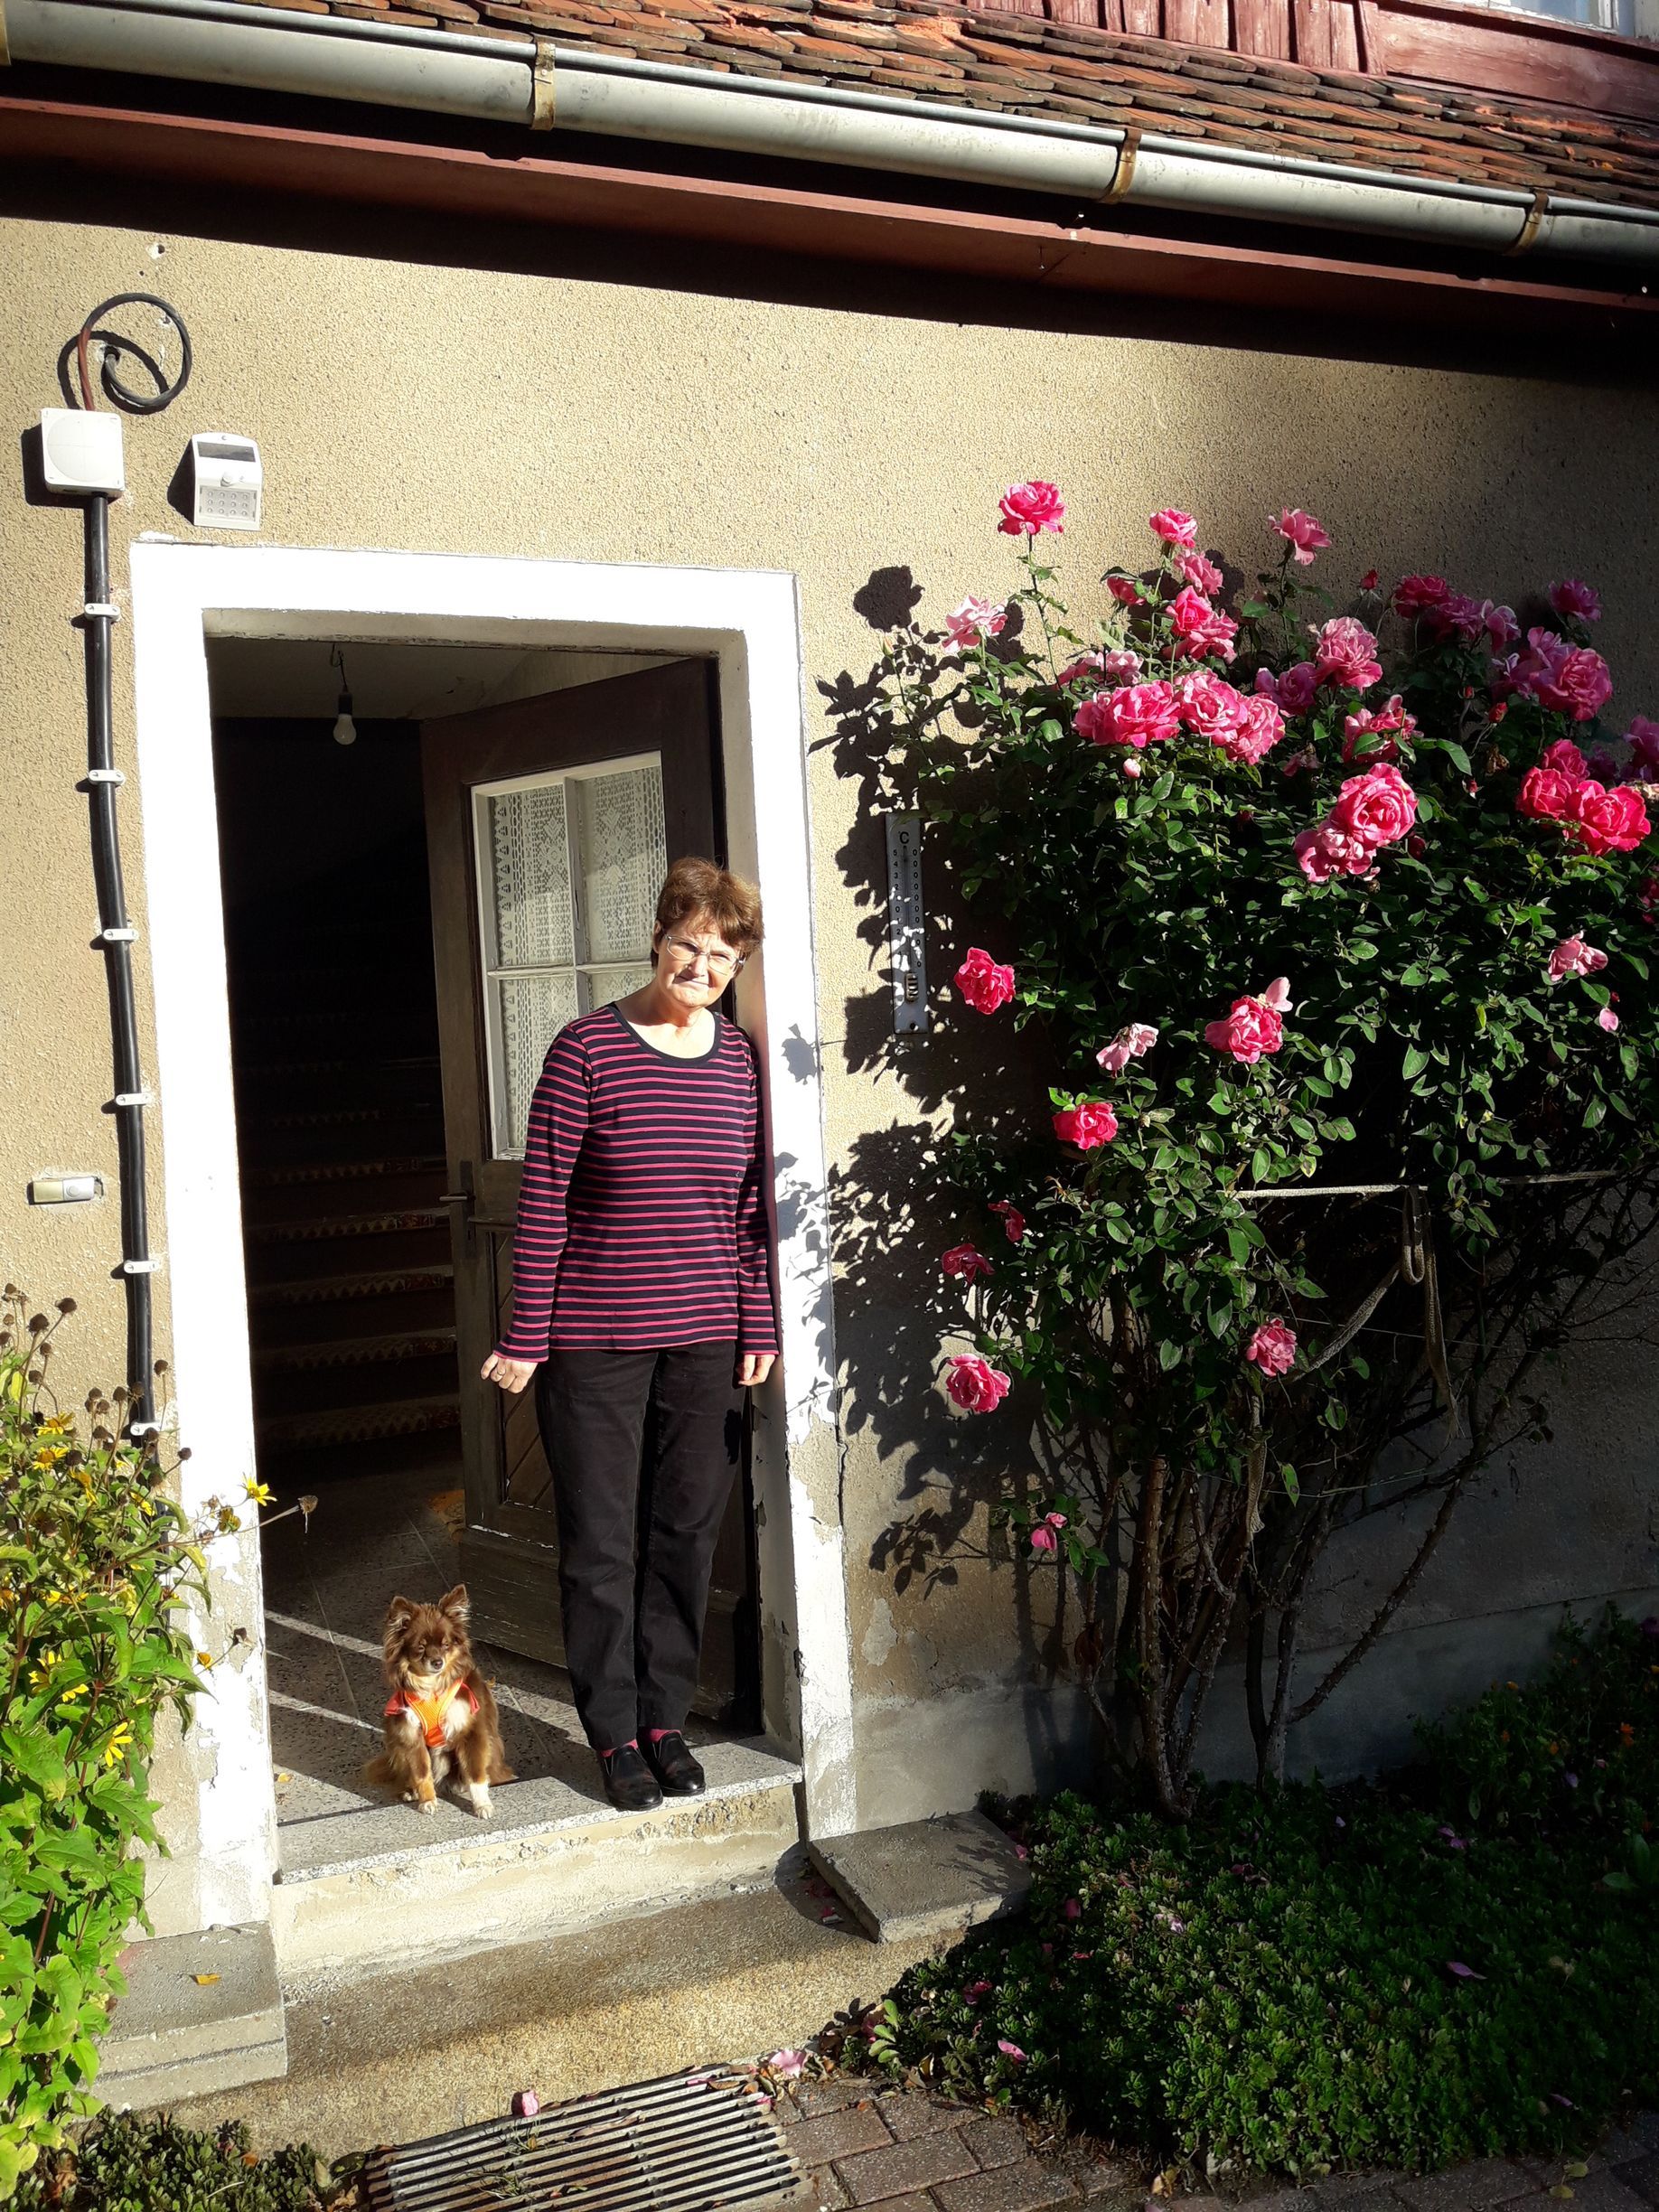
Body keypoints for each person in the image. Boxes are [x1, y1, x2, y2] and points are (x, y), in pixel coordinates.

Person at [480, 858, 778, 1812]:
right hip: (597, 1338)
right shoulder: (586, 1050)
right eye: (689, 944)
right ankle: (613, 1733)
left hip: (707, 1337)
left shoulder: (740, 1062)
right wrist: (526, 1335)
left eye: (722, 955)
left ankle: (664, 1721)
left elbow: (748, 1208)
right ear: (658, 939)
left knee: (685, 1533)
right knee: (602, 1544)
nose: (702, 966)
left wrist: (759, 1318)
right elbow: (544, 1202)